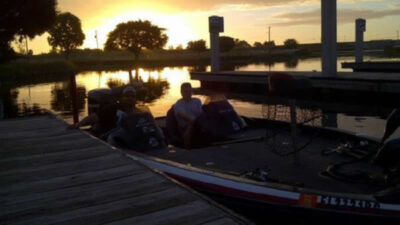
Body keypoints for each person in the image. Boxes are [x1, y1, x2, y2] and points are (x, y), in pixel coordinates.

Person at [67, 86, 141, 137]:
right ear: (122, 97)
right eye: (127, 96)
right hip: (112, 138)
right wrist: (79, 124)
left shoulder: (138, 112)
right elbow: (95, 117)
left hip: (131, 139)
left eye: (132, 96)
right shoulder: (113, 108)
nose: (130, 98)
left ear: (135, 99)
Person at [173, 82, 202, 148]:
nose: (188, 93)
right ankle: (187, 149)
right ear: (181, 92)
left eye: (189, 91)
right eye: (185, 91)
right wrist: (193, 122)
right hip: (184, 127)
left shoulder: (197, 101)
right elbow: (185, 116)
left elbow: (201, 114)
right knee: (189, 129)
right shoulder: (179, 104)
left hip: (198, 124)